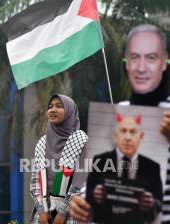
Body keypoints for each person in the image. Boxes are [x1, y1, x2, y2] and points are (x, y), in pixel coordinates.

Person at [69, 24, 170, 223]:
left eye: (151, 57)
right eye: (134, 57)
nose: (141, 68)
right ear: (126, 63)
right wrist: (80, 201)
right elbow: (95, 180)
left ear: (164, 62)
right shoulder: (116, 113)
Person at [86, 114, 162, 223]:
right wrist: (94, 195)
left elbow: (160, 202)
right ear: (115, 135)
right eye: (123, 131)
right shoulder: (100, 160)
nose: (127, 137)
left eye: (132, 132)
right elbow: (87, 193)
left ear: (141, 136)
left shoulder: (152, 167)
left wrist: (152, 203)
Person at [30, 94, 88, 224]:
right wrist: (41, 210)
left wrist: (62, 213)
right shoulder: (42, 143)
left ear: (69, 112)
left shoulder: (81, 141)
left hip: (73, 213)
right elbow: (35, 181)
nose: (52, 110)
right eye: (50, 107)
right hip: (44, 216)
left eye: (59, 106)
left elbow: (81, 182)